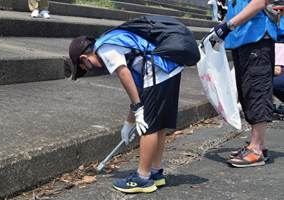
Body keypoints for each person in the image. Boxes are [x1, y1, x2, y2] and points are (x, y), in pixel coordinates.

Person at [69, 30, 184, 192]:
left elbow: (124, 74)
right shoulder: (118, 45)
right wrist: (129, 122)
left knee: (149, 125)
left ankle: (143, 178)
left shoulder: (104, 48)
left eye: (84, 67)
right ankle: (155, 172)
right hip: (168, 68)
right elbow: (138, 88)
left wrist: (138, 109)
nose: (89, 70)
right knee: (158, 123)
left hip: (158, 69)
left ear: (84, 58)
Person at [207, 0, 277, 167]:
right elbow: (234, 8)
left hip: (257, 35)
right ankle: (259, 144)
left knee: (256, 91)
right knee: (247, 92)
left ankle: (255, 150)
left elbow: (259, 3)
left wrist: (228, 26)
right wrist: (219, 28)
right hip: (242, 38)